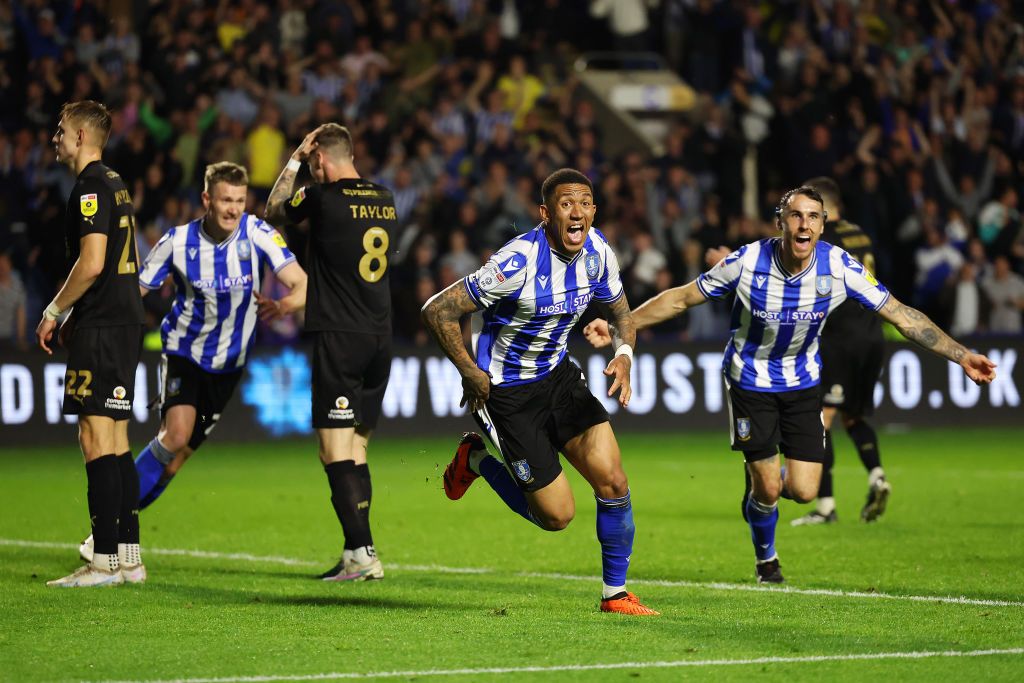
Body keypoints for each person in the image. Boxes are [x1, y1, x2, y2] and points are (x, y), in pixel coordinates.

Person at [584, 186, 996, 584]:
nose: (804, 225)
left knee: (801, 490)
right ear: (780, 222)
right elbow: (680, 299)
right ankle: (767, 559)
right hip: (749, 380)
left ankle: (761, 484)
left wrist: (961, 355)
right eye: (796, 216)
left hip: (802, 383)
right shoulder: (745, 263)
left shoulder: (839, 267)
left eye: (813, 217)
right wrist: (622, 323)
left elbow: (902, 316)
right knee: (767, 489)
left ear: (822, 226)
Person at [421, 168, 659, 616]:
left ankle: (615, 594)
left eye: (585, 203)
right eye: (567, 204)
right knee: (557, 517)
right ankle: (475, 459)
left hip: (558, 378)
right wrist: (470, 370)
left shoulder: (599, 253)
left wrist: (624, 354)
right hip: (507, 393)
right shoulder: (517, 263)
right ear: (546, 214)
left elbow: (622, 313)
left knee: (615, 482)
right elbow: (438, 310)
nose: (578, 213)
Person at [77, 162, 307, 562]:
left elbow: (301, 283)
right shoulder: (177, 242)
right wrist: (95, 325)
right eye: (225, 201)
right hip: (184, 351)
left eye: (239, 200)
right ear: (207, 200)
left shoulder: (258, 234)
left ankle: (113, 530)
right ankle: (107, 533)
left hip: (230, 364)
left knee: (175, 460)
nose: (233, 209)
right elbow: (137, 291)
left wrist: (284, 304)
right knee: (176, 436)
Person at [265, 123, 396, 582]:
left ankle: (363, 554)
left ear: (322, 160)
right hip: (380, 336)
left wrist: (296, 158)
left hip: (340, 336)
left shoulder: (321, 198)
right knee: (356, 446)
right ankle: (355, 550)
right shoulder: (385, 198)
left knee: (332, 449)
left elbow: (275, 209)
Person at [36, 100, 146, 587]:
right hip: (124, 322)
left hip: (102, 326)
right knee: (118, 439)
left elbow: (93, 262)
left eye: (61, 130)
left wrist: (56, 309)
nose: (54, 137)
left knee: (95, 436)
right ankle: (128, 556)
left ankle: (102, 562)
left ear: (81, 137)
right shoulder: (116, 184)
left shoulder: (90, 188)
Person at [792, 176, 891, 526]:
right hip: (872, 335)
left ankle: (825, 505)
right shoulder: (860, 233)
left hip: (839, 338)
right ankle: (877, 474)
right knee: (855, 416)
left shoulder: (825, 239)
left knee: (823, 418)